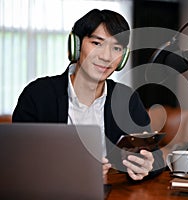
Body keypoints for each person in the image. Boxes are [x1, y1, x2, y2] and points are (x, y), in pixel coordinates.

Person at [12, 9, 164, 180]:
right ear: (76, 46)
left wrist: (146, 165)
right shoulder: (38, 95)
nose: (106, 57)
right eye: (96, 43)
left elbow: (155, 157)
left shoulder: (126, 98)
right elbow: (16, 160)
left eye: (116, 48)